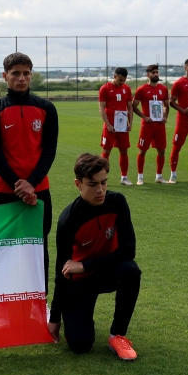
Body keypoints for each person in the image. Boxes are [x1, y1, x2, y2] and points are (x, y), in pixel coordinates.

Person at [48, 154, 140, 361]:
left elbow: (128, 250)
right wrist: (54, 317)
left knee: (131, 270)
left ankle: (117, 336)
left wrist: (85, 265)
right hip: (80, 283)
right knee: (80, 344)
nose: (100, 190)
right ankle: (81, 318)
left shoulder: (117, 202)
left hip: (107, 272)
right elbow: (60, 270)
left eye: (104, 182)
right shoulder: (68, 220)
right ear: (78, 185)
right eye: (92, 184)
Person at [0, 52, 59, 298]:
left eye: (26, 73)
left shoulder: (46, 108)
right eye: (16, 73)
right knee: (0, 248)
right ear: (5, 76)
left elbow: (49, 151)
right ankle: (0, 302)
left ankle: (40, 301)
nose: (22, 78)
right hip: (5, 190)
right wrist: (20, 186)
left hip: (39, 189)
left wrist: (33, 183)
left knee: (38, 247)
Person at [132, 64, 171, 185]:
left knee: (161, 151)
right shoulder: (141, 89)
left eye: (157, 72)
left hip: (159, 125)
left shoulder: (163, 89)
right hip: (147, 125)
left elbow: (166, 105)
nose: (156, 74)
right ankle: (140, 177)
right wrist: (144, 117)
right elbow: (134, 106)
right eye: (153, 72)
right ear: (148, 75)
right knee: (142, 150)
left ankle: (159, 176)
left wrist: (164, 116)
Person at [98, 67, 134, 185]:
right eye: (119, 80)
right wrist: (107, 124)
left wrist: (130, 123)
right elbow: (101, 108)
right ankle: (101, 178)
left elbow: (129, 106)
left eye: (123, 80)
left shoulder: (126, 89)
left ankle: (124, 177)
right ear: (114, 76)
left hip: (122, 125)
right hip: (110, 125)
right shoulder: (105, 88)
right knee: (106, 150)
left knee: (124, 150)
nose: (121, 82)